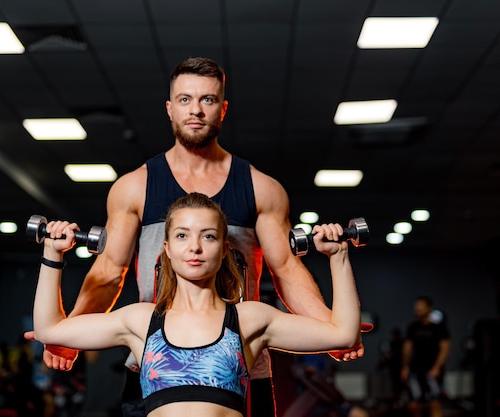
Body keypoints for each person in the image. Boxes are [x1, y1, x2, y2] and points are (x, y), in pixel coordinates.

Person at [25, 56, 369, 416]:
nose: (196, 111)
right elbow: (109, 271)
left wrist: (330, 327)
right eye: (186, 100)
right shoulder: (134, 187)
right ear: (170, 109)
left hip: (241, 365)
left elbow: (286, 269)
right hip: (156, 363)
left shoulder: (261, 188)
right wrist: (70, 336)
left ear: (223, 109)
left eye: (207, 100)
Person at [32, 192, 362, 417]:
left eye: (208, 236)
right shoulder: (142, 321)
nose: (195, 247)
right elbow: (50, 329)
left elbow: (343, 334)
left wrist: (339, 255)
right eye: (182, 236)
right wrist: (52, 254)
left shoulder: (249, 320)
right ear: (167, 249)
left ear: (223, 249)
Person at [400, 296, 450, 417]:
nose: (418, 310)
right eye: (416, 308)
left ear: (429, 308)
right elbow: (407, 348)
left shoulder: (438, 328)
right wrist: (405, 367)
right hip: (416, 369)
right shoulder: (412, 327)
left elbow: (445, 348)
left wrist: (437, 367)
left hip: (432, 369)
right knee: (413, 403)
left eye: (421, 308)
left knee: (435, 401)